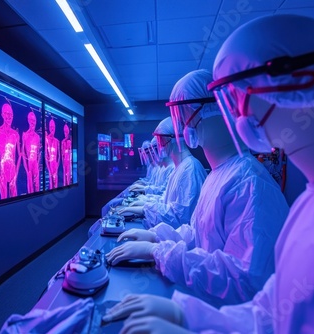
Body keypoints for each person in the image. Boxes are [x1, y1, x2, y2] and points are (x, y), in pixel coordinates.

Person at [108, 15, 314, 333]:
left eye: (236, 97)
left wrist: (160, 251)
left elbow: (249, 279)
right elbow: (271, 309)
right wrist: (189, 315)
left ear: (299, 83)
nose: (235, 113)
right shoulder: (313, 199)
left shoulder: (254, 184)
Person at [106, 69, 289, 306]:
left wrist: (158, 252)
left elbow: (245, 280)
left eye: (184, 113)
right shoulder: (220, 174)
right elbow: (198, 234)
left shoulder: (248, 182)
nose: (182, 125)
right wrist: (155, 237)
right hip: (209, 301)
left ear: (214, 109)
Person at [116, 116, 207, 229]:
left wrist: (145, 209)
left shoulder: (190, 170)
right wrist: (145, 206)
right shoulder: (180, 168)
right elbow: (165, 201)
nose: (159, 147)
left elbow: (181, 217)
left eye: (160, 141)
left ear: (171, 139)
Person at [0, 103, 21, 199]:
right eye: (6, 114)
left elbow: (20, 155)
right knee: (3, 199)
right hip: (2, 171)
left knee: (14, 198)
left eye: (11, 115)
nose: (9, 116)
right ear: (2, 115)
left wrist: (16, 173)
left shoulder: (15, 134)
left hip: (13, 170)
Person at [22, 111, 41, 193]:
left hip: (35, 163)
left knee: (37, 186)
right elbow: (23, 153)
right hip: (29, 163)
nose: (32, 122)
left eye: (34, 120)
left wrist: (38, 164)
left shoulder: (37, 137)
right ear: (28, 120)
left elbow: (39, 152)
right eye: (31, 120)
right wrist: (27, 169)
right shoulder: (25, 135)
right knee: (30, 186)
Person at [46, 118, 60, 189]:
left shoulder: (57, 141)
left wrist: (57, 165)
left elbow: (59, 155)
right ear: (49, 127)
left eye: (53, 127)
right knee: (51, 182)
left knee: (56, 183)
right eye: (51, 127)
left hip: (55, 164)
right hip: (50, 164)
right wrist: (48, 167)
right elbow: (45, 155)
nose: (52, 129)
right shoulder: (46, 139)